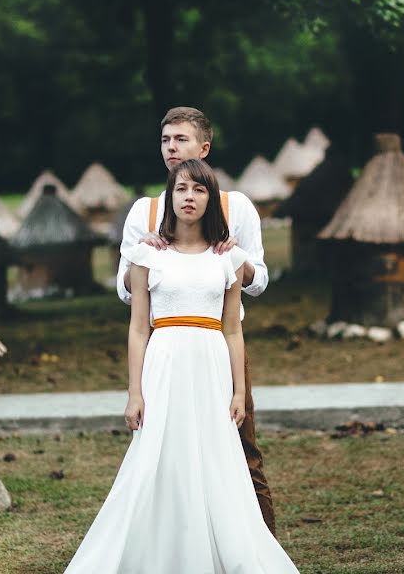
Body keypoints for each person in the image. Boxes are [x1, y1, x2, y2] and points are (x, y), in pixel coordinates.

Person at [65, 159, 298, 573]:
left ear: (212, 200)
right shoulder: (146, 257)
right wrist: (135, 392)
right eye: (181, 189)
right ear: (170, 198)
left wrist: (239, 391)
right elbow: (138, 330)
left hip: (210, 363)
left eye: (199, 190)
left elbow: (232, 330)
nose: (189, 197)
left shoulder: (227, 259)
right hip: (165, 360)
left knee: (215, 457)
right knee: (160, 455)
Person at [116, 107, 276, 534]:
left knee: (239, 449)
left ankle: (258, 543)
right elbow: (125, 291)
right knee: (163, 450)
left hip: (218, 345)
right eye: (166, 140)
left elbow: (258, 279)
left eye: (182, 140)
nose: (172, 148)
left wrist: (227, 258)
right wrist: (150, 255)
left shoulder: (235, 205)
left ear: (204, 147)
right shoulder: (145, 213)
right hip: (165, 348)